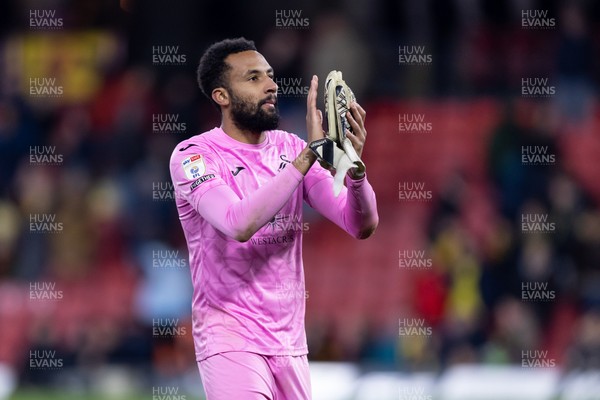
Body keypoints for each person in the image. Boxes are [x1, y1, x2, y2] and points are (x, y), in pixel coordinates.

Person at [169, 37, 378, 400]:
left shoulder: (291, 148)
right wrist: (308, 158)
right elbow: (238, 223)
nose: (271, 85)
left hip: (290, 343)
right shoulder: (193, 156)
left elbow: (360, 225)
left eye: (269, 75)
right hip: (230, 337)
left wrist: (354, 172)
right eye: (253, 78)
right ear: (222, 96)